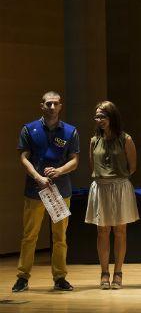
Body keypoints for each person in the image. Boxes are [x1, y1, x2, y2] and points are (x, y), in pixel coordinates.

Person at [12, 91, 79, 293]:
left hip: (60, 191)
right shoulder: (29, 129)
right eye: (48, 104)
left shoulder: (70, 132)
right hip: (35, 190)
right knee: (29, 235)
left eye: (55, 104)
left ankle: (60, 277)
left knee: (60, 237)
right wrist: (38, 177)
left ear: (60, 106)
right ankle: (22, 277)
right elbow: (23, 158)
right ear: (41, 105)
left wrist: (59, 170)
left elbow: (75, 161)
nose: (51, 107)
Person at [85, 100, 139, 290]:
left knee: (120, 231)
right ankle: (104, 273)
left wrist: (116, 178)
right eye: (97, 116)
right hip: (100, 187)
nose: (99, 119)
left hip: (120, 186)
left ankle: (118, 272)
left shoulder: (126, 139)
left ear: (112, 117)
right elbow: (93, 166)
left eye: (103, 116)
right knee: (102, 231)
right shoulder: (93, 140)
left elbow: (132, 167)